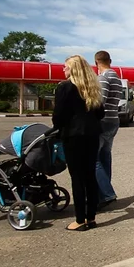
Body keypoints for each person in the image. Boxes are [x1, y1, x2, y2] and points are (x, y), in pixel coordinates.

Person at [52, 55, 105, 231]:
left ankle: (80, 220)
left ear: (73, 69)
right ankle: (91, 217)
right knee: (90, 176)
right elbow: (100, 114)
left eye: (65, 67)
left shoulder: (65, 87)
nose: (63, 69)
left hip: (73, 137)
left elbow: (58, 117)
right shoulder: (93, 88)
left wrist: (59, 127)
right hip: (92, 135)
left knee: (77, 178)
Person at [94, 50, 123, 208]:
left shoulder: (103, 78)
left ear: (96, 62)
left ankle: (106, 193)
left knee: (93, 159)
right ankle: (104, 193)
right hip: (114, 120)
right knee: (105, 157)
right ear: (110, 60)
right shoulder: (117, 78)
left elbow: (100, 102)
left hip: (103, 122)